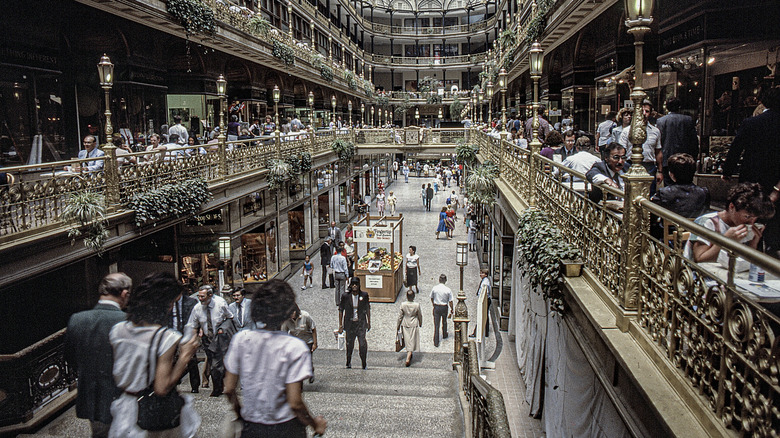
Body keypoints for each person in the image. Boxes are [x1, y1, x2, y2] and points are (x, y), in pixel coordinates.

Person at [224, 280, 327, 437]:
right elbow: (295, 402)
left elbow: (229, 389)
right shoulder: (294, 346)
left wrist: (240, 414)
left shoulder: (241, 340)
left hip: (252, 427)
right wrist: (315, 424)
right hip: (286, 428)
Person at [108, 272, 201, 438]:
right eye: (172, 302)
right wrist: (185, 357)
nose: (172, 307)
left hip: (124, 409)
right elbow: (162, 387)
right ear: (163, 304)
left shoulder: (118, 330)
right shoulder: (166, 338)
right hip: (151, 415)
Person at [65, 273, 132, 438]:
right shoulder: (128, 322)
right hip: (124, 397)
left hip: (92, 397)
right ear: (124, 293)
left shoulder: (76, 319)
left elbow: (70, 358)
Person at [722, 85, 780, 257]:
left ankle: (749, 255)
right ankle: (772, 254)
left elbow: (736, 149)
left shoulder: (751, 123)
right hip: (776, 180)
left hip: (752, 179)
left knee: (750, 217)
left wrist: (727, 171)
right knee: (774, 221)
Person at [685, 183, 775, 262]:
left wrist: (753, 243)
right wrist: (726, 240)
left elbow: (744, 262)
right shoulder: (707, 222)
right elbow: (700, 259)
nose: (751, 223)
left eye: (755, 218)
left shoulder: (743, 226)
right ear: (732, 207)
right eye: (747, 216)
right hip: (698, 277)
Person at [186, 284, 234, 397]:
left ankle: (217, 389)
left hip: (219, 338)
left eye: (203, 296)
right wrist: (193, 338)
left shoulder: (220, 303)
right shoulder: (197, 308)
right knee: (214, 364)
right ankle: (220, 385)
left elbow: (230, 317)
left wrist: (223, 329)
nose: (200, 299)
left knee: (215, 365)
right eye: (199, 296)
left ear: (210, 295)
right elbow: (192, 325)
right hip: (207, 339)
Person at [619, 100, 663, 189]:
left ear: (650, 113)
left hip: (649, 167)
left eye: (647, 111)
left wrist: (660, 171)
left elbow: (658, 152)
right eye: (641, 111)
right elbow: (621, 151)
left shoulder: (655, 131)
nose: (644, 113)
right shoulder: (626, 131)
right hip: (630, 166)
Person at [650, 153, 710, 218]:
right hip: (696, 227)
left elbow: (652, 215)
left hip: (670, 227)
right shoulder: (703, 192)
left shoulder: (664, 193)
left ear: (671, 174)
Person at [656, 96, 699, 185]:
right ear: (679, 107)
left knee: (669, 186)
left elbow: (660, 141)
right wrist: (693, 158)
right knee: (684, 185)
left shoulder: (661, 121)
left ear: (667, 107)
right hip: (684, 159)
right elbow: (694, 141)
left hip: (667, 158)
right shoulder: (688, 120)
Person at [167, 288, 201, 393]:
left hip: (186, 332)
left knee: (191, 360)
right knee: (171, 359)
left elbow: (197, 317)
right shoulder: (168, 303)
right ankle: (173, 383)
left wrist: (197, 331)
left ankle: (195, 386)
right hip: (172, 332)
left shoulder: (191, 302)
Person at [338, 277, 371, 369]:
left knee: (362, 343)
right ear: (351, 285)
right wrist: (340, 324)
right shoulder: (346, 296)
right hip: (350, 324)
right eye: (353, 284)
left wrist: (369, 321)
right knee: (349, 343)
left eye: (356, 284)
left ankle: (364, 362)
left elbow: (367, 308)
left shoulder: (364, 295)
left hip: (360, 323)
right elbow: (341, 310)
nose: (355, 286)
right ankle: (348, 361)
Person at [281, 304, 318, 383]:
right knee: (297, 363)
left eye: (292, 313)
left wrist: (315, 343)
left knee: (307, 360)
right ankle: (299, 381)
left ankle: (310, 370)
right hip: (295, 343)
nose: (291, 315)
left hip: (307, 341)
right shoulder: (286, 320)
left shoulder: (305, 316)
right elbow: (283, 333)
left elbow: (313, 328)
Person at [397, 290, 422, 367]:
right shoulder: (417, 305)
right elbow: (419, 315)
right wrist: (420, 323)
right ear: (413, 296)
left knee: (407, 340)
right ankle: (408, 357)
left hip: (405, 323)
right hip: (413, 323)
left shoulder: (403, 304)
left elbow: (400, 316)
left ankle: (409, 354)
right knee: (412, 340)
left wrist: (398, 325)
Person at [429, 274, 453, 348]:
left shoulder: (435, 288)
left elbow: (431, 297)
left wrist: (433, 304)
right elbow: (450, 301)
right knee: (444, 321)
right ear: (445, 281)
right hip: (444, 307)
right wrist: (452, 308)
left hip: (436, 306)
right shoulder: (448, 290)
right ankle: (444, 334)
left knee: (436, 324)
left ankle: (436, 341)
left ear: (439, 280)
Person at [470, 269, 492, 337]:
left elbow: (486, 292)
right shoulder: (485, 281)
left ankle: (477, 332)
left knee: (482, 315)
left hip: (484, 301)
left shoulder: (485, 282)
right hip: (485, 300)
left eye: (482, 273)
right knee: (485, 315)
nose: (480, 274)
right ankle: (485, 331)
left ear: (485, 274)